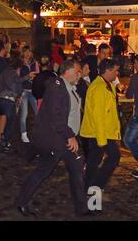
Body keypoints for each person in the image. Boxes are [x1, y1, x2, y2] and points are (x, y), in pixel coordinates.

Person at [16, 60, 90, 217]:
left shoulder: (67, 87)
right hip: (57, 140)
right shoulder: (58, 88)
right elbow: (57, 118)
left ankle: (81, 208)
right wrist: (70, 135)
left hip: (65, 139)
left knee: (77, 170)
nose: (79, 75)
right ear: (68, 71)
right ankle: (21, 201)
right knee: (42, 171)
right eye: (77, 72)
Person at [80, 59, 121, 191]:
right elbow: (98, 116)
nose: (117, 73)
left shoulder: (106, 85)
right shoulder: (99, 88)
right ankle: (95, 185)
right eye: (115, 70)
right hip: (99, 132)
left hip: (103, 131)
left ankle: (89, 185)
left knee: (94, 159)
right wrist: (102, 139)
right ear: (108, 71)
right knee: (112, 157)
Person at [0, 55, 25, 152]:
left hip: (2, 98)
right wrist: (18, 95)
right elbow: (14, 85)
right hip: (9, 99)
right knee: (10, 123)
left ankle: (2, 138)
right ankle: (6, 143)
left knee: (5, 119)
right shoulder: (13, 73)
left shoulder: (5, 71)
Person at [19, 46, 39, 143]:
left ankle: (40, 132)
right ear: (22, 53)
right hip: (23, 91)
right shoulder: (20, 65)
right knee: (24, 114)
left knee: (38, 112)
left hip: (33, 91)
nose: (27, 54)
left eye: (29, 51)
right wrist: (28, 76)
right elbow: (18, 80)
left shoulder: (35, 63)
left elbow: (38, 76)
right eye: (25, 52)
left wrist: (34, 78)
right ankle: (23, 133)